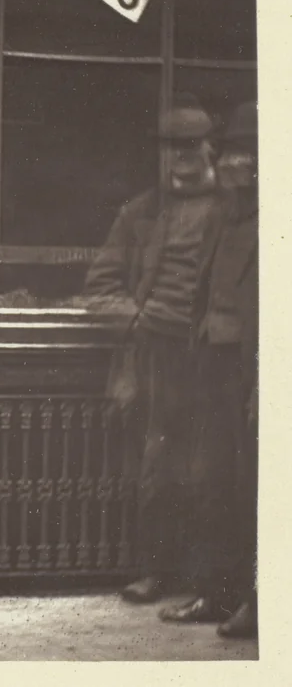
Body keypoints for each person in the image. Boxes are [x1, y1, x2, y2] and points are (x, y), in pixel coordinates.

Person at [83, 95, 221, 606]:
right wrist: (137, 320)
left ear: (211, 148)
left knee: (216, 468)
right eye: (170, 148)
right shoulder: (141, 212)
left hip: (216, 357)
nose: (181, 158)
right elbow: (99, 286)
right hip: (155, 358)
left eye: (191, 146)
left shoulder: (237, 211)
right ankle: (158, 572)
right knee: (158, 467)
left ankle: (210, 582)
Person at [159, 101, 258, 637]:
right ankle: (219, 594)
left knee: (253, 486)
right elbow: (201, 285)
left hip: (255, 369)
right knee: (213, 479)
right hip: (214, 362)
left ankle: (259, 602)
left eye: (244, 152)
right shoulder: (224, 211)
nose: (231, 161)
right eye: (232, 150)